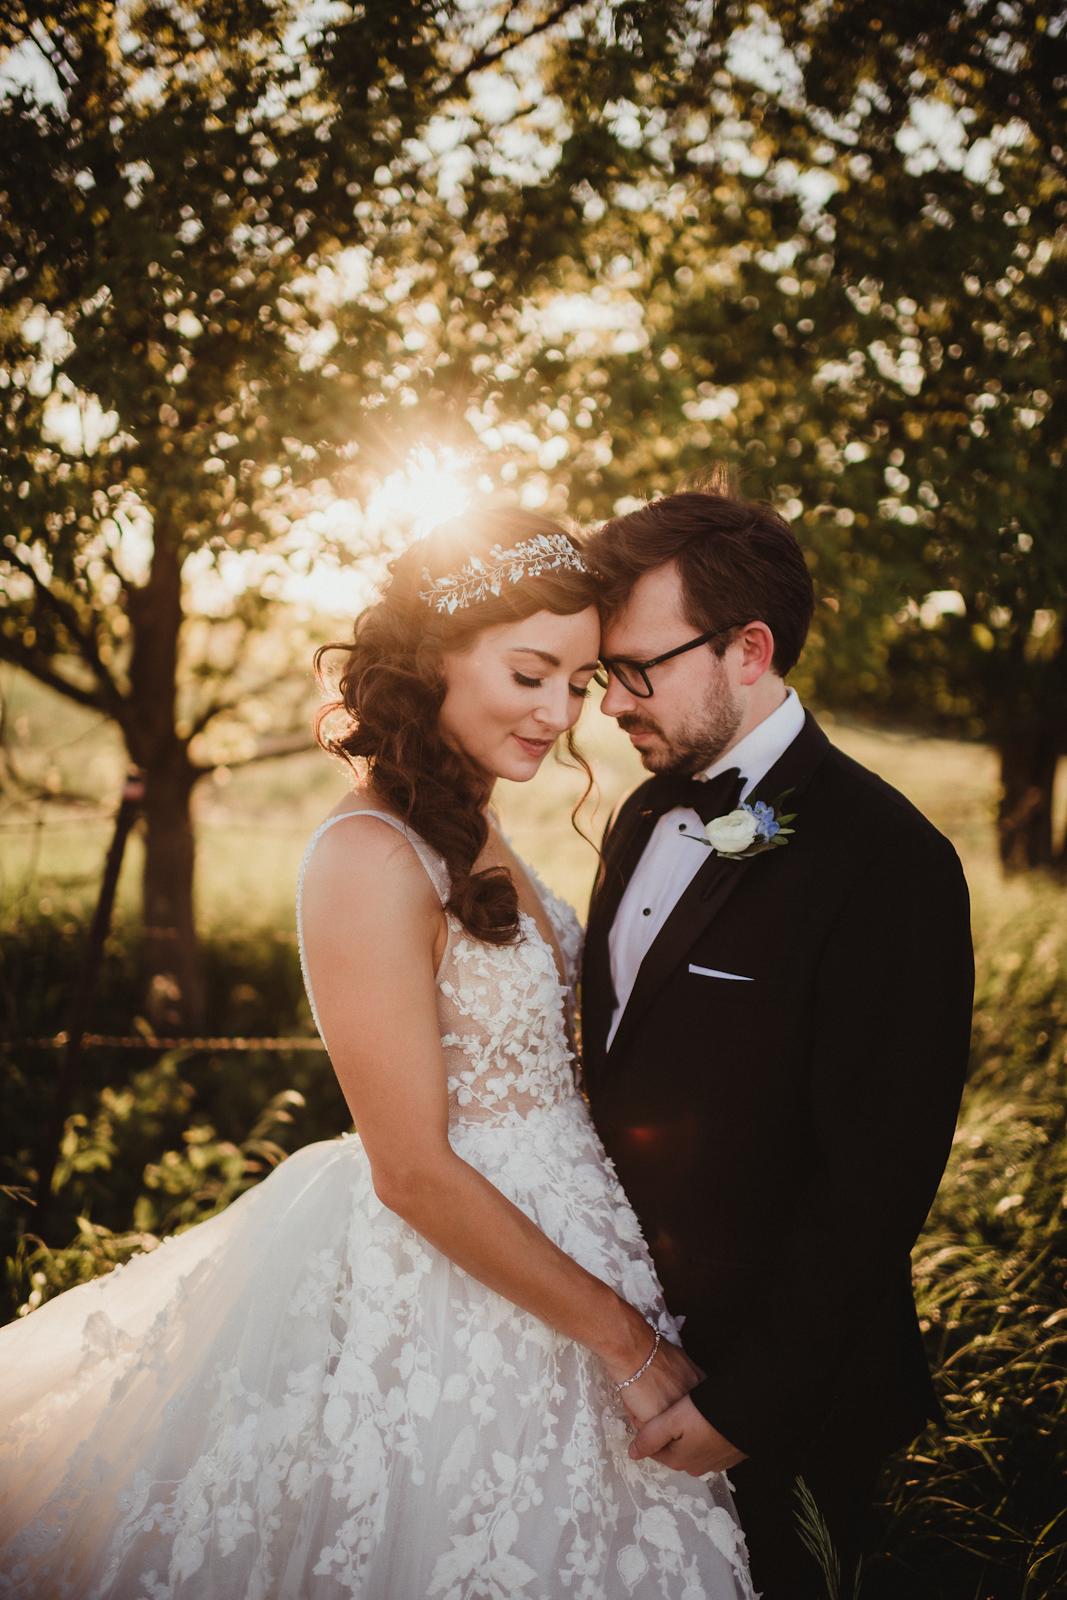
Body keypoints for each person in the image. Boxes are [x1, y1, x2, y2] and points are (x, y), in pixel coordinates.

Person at [0, 509, 754, 1600]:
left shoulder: (476, 822)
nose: (559, 713)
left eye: (582, 682)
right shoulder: (366, 854)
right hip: (454, 1289)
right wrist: (627, 1344)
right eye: (530, 673)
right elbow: (409, 1167)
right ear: (432, 659)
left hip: (565, 1257)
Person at [580, 479, 974, 1598]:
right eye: (605, 671)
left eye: (635, 668)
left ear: (747, 649)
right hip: (623, 1365)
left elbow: (877, 1176)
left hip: (784, 1409)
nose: (610, 703)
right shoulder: (645, 810)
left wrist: (745, 1407)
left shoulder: (887, 860)